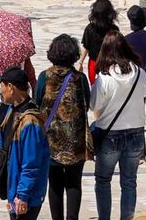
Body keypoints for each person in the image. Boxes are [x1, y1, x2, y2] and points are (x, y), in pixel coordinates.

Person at [88, 32, 146, 220]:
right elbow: (145, 92)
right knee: (129, 182)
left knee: (103, 180)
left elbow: (94, 105)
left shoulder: (104, 77)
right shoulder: (139, 72)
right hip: (136, 133)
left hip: (110, 135)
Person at [33, 35, 90, 220]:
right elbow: (86, 104)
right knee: (74, 184)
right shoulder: (80, 78)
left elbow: (37, 102)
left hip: (51, 140)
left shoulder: (44, 77)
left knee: (55, 184)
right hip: (76, 139)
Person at [0, 67, 49, 220]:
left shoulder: (30, 121)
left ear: (11, 87)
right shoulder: (12, 110)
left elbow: (31, 163)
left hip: (26, 195)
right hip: (14, 189)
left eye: (2, 85)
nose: (0, 90)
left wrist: (22, 196)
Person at [79, 0, 120, 76]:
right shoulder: (114, 29)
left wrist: (81, 62)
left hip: (94, 64)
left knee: (94, 86)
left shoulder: (90, 28)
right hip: (110, 65)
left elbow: (86, 46)